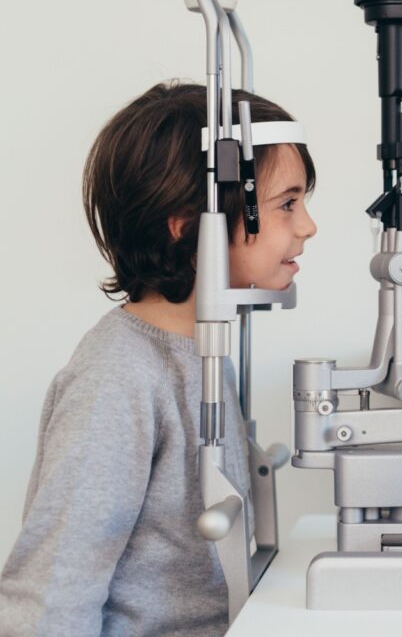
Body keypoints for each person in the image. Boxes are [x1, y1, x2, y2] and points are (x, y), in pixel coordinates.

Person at [0, 82, 318, 635]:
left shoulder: (207, 350)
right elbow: (51, 594)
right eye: (287, 204)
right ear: (186, 224)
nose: (308, 225)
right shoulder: (118, 377)